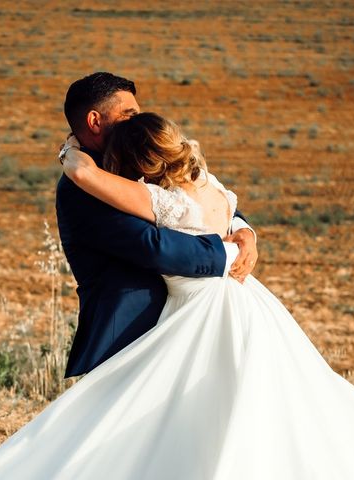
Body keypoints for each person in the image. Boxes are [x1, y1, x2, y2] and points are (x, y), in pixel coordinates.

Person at [0, 112, 354, 479]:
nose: (131, 116)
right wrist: (241, 243)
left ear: (141, 166)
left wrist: (70, 153)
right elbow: (230, 219)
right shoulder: (211, 186)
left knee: (163, 409)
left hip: (198, 313)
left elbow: (85, 176)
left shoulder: (158, 200)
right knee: (270, 399)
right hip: (248, 303)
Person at [55, 72, 257, 378]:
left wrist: (244, 231)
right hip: (128, 331)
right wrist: (228, 254)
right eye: (128, 114)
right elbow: (153, 247)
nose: (137, 120)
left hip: (181, 320)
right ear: (95, 121)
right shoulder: (82, 188)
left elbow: (194, 198)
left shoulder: (135, 159)